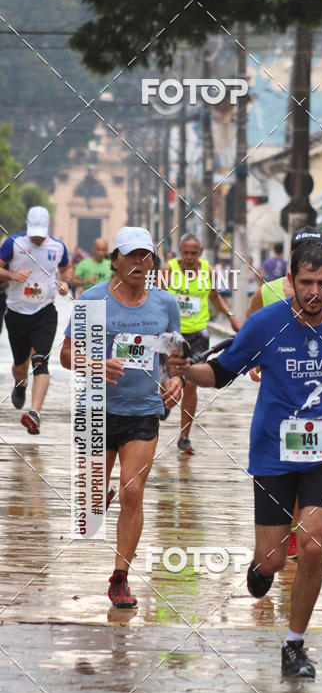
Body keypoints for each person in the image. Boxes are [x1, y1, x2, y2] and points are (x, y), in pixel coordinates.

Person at [167, 241, 322, 677]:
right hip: (271, 451)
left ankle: (294, 645)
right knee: (273, 560)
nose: (315, 292)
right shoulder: (265, 323)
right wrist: (187, 371)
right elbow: (221, 373)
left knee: (315, 545)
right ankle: (261, 567)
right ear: (290, 282)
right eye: (306, 282)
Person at [60, 226, 184, 608]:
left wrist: (175, 380)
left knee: (133, 493)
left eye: (144, 255)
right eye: (130, 255)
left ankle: (120, 578)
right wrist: (95, 365)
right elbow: (66, 354)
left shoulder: (165, 304)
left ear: (152, 261)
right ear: (114, 260)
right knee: (91, 501)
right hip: (96, 409)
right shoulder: (93, 299)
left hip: (142, 411)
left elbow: (172, 357)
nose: (137, 263)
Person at [246, 235, 322, 561]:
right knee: (284, 470)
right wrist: (252, 360)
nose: (314, 289)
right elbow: (249, 332)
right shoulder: (268, 291)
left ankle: (296, 531)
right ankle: (275, 546)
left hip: (318, 412)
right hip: (277, 408)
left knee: (307, 473)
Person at [162, 233, 241, 455]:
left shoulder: (208, 271)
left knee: (190, 383)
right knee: (165, 377)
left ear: (200, 253)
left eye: (193, 253)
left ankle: (184, 436)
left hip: (197, 335)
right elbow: (155, 297)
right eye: (185, 252)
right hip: (172, 334)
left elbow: (215, 296)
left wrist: (230, 314)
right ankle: (163, 399)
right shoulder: (168, 271)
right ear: (179, 251)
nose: (188, 257)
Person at [0, 206, 71, 434]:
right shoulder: (13, 243)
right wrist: (12, 275)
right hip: (17, 312)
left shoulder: (58, 247)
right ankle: (20, 384)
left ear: (48, 226)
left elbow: (66, 269)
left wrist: (64, 283)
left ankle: (34, 414)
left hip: (45, 311)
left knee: (40, 360)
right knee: (20, 366)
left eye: (41, 233)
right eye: (34, 233)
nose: (38, 238)